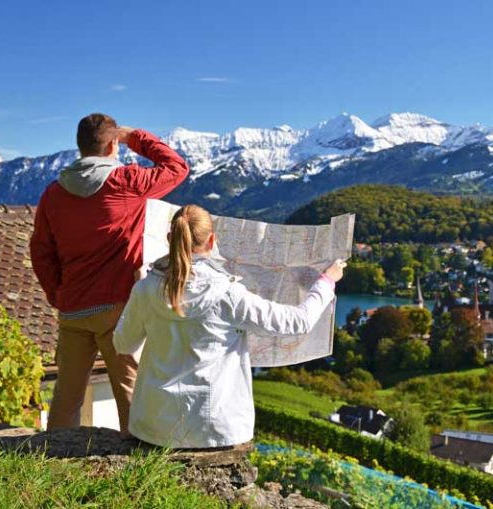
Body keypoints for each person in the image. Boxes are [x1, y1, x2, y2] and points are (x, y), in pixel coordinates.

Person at [113, 204, 346, 448]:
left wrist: (136, 300)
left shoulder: (145, 289)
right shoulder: (228, 294)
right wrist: (326, 282)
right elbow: (297, 322)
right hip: (213, 429)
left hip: (155, 426)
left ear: (170, 239)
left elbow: (123, 343)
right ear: (212, 241)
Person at [29, 113, 189, 431]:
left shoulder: (53, 193)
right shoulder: (126, 181)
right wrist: (136, 137)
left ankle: (56, 466)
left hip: (73, 309)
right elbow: (177, 169)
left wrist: (58, 294)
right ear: (113, 144)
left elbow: (40, 251)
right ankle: (136, 469)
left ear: (80, 146)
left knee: (66, 398)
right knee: (131, 395)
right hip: (118, 309)